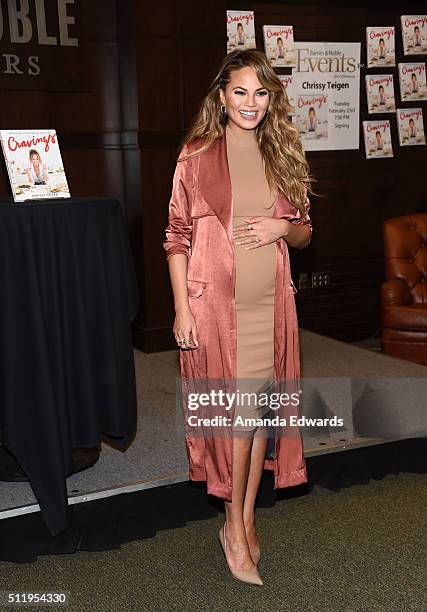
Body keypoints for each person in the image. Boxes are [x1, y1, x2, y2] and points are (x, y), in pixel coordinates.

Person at [163, 49, 313, 586]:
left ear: (272, 100)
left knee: (254, 422)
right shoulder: (197, 154)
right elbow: (175, 238)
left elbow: (304, 231)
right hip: (215, 309)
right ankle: (233, 524)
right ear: (222, 97)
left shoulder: (282, 153)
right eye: (241, 92)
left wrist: (280, 230)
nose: (251, 104)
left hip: (269, 306)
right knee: (234, 424)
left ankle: (244, 518)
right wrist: (181, 309)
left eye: (261, 93)